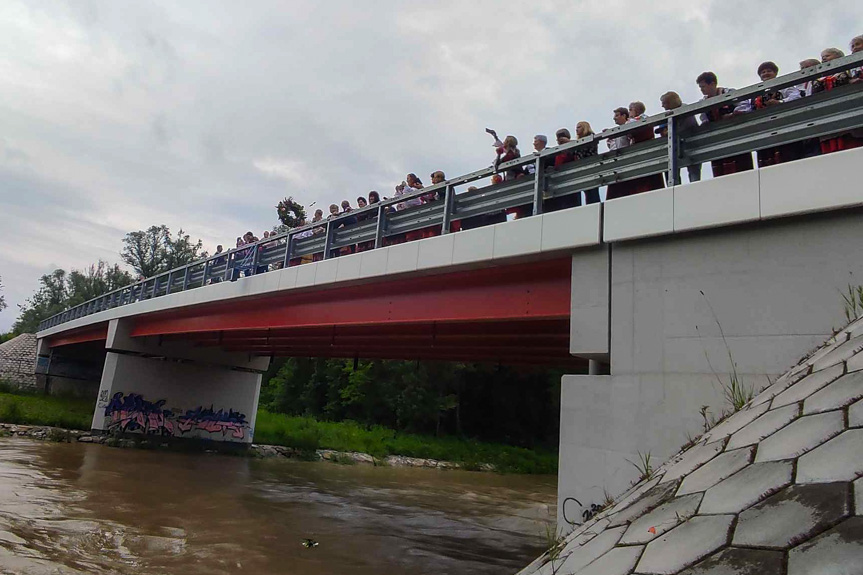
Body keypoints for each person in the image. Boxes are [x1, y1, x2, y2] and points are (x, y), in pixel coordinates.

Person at [735, 62, 803, 167]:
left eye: (769, 71)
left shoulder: (783, 86)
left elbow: (796, 96)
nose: (766, 74)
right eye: (763, 72)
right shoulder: (756, 92)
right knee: (766, 162)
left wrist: (780, 102)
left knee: (788, 158)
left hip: (784, 128)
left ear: (775, 73)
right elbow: (748, 108)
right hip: (763, 132)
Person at [696, 71, 754, 177]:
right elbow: (704, 118)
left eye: (703, 86)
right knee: (720, 170)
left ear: (712, 84)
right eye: (700, 87)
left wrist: (732, 115)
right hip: (717, 140)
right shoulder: (703, 102)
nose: (701, 90)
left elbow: (744, 105)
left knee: (741, 167)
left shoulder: (728, 92)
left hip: (735, 137)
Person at [812, 48, 861, 153]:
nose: (824, 58)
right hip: (827, 115)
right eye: (822, 57)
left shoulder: (849, 71)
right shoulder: (819, 78)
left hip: (846, 112)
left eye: (828, 55)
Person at [658, 91, 701, 183]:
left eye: (664, 103)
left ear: (671, 102)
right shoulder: (669, 114)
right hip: (677, 146)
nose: (662, 106)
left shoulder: (685, 109)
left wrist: (670, 131)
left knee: (693, 171)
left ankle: (694, 190)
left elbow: (684, 128)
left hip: (691, 144)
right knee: (672, 171)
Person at [544, 128, 581, 212]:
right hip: (559, 184)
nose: (559, 140)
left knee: (572, 207)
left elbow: (579, 148)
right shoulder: (556, 152)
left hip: (571, 182)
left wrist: (568, 142)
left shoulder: (572, 148)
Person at [575, 121, 600, 204]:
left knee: (593, 192)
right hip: (584, 169)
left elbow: (583, 152)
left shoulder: (590, 136)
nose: (576, 129)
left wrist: (570, 143)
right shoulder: (579, 141)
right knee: (587, 192)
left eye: (579, 127)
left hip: (591, 168)